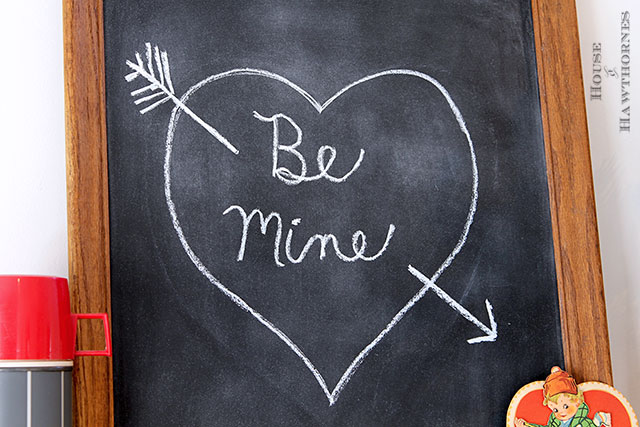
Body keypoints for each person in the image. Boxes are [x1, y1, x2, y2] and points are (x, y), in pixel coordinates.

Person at [515, 367, 610, 427]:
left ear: (577, 401)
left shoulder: (584, 423)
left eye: (565, 406)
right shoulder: (555, 423)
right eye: (555, 410)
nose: (561, 412)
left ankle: (600, 418)